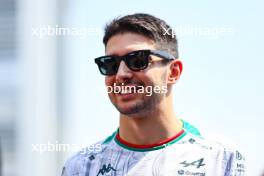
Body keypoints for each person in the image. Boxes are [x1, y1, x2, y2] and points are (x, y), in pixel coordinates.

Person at [62, 13, 245, 176]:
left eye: (138, 60)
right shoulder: (80, 167)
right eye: (110, 63)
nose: (121, 74)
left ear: (173, 72)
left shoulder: (219, 159)